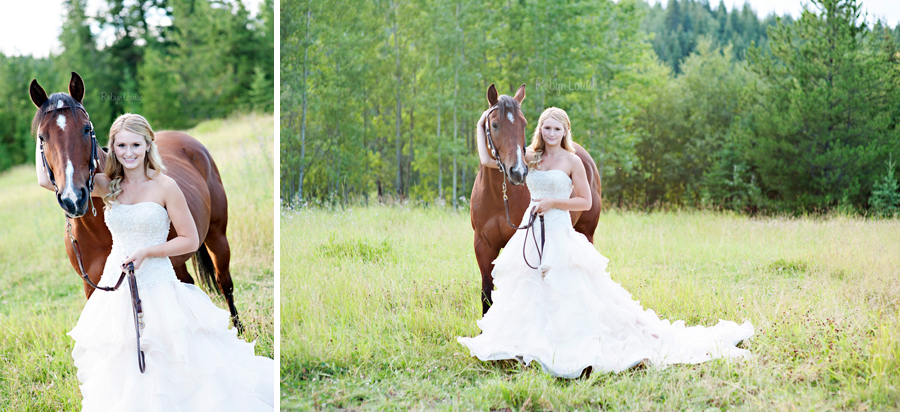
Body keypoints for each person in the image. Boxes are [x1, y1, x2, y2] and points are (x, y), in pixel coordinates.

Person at [457, 107, 754, 378]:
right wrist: (485, 118)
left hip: (558, 230)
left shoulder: (572, 160)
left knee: (568, 289)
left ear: (565, 131)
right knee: (530, 288)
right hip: (533, 233)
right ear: (538, 130)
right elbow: (487, 159)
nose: (550, 134)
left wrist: (552, 203)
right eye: (546, 128)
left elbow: (584, 201)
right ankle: (528, 345)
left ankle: (575, 345)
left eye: (556, 129)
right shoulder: (532, 158)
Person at [37, 113, 274, 410]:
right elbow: (48, 179)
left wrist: (149, 251)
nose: (128, 153)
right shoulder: (107, 185)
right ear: (111, 148)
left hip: (157, 279)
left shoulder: (165, 186)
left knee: (170, 351)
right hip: (117, 284)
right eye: (120, 146)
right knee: (120, 354)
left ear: (149, 145)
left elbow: (190, 239)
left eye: (136, 144)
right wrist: (43, 134)